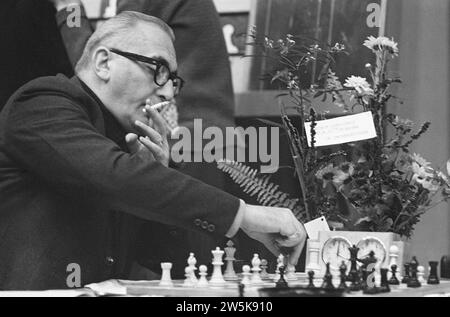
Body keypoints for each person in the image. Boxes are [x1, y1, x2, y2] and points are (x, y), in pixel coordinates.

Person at [0, 12, 306, 290]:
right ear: (104, 63)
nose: (168, 92)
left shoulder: (128, 141)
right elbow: (114, 177)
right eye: (157, 69)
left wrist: (160, 175)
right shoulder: (42, 102)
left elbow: (170, 260)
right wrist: (245, 214)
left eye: (173, 80)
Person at [48, 0, 243, 275]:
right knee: (195, 270)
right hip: (206, 140)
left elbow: (101, 65)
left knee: (190, 272)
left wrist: (68, 8)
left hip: (181, 143)